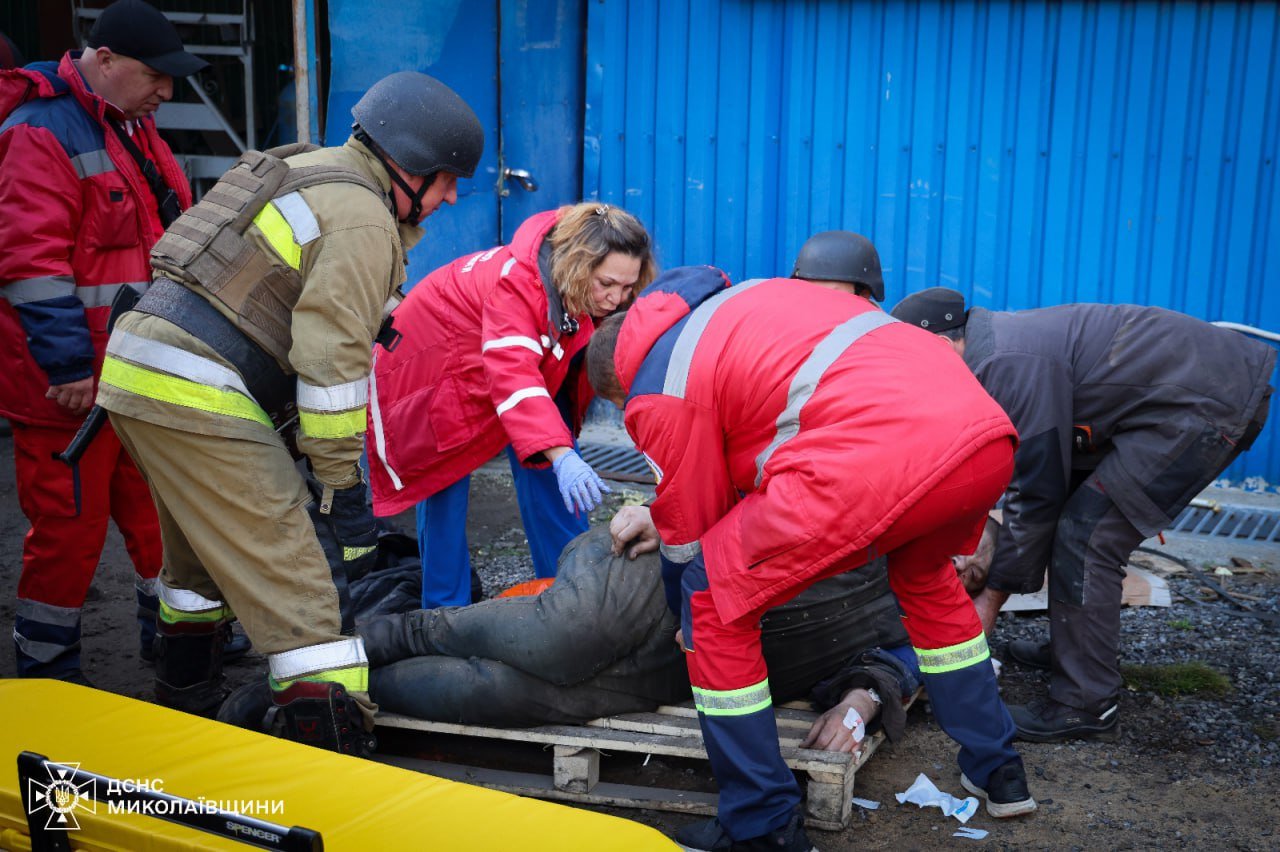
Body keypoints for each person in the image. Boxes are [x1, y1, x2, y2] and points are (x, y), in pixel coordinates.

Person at [95, 70, 484, 756]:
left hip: (139, 369)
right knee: (302, 586)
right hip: (200, 388)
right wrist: (340, 484)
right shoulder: (363, 218)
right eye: (447, 179)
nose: (451, 196)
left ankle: (184, 716)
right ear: (410, 163)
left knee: (198, 563)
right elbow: (331, 369)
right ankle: (330, 762)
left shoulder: (303, 165)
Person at [586, 266, 1036, 851]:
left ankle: (762, 823)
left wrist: (684, 616)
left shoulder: (657, 383)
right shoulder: (741, 304)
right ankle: (1000, 770)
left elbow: (689, 532)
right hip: (982, 438)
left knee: (711, 598)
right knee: (927, 582)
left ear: (619, 387)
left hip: (873, 462)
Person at [220, 507, 919, 762]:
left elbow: (897, 664)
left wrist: (858, 703)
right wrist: (668, 508)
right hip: (649, 577)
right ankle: (374, 640)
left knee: (505, 694)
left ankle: (328, 693)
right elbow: (742, 479)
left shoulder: (925, 604)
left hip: (687, 666)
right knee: (561, 639)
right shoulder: (868, 499)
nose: (965, 561)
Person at [890, 288, 1275, 742]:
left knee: (1088, 535)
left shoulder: (1004, 363)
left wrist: (989, 603)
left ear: (940, 344)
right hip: (1188, 394)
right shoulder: (994, 348)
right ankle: (1075, 652)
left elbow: (1038, 488)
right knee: (1074, 518)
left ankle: (1086, 705)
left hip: (1206, 404)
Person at [0, 0, 206, 681]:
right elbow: (31, 265)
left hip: (126, 370)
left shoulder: (126, 123)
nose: (167, 91)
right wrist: (67, 366)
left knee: (152, 510)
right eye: (156, 75)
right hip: (70, 386)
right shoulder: (41, 132)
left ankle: (174, 636)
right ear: (107, 60)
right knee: (67, 528)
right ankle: (47, 670)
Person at [366, 203, 655, 608]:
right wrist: (561, 455)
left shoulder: (572, 283)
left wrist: (558, 452)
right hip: (433, 372)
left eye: (627, 287)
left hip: (506, 362)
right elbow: (513, 374)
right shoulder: (518, 285)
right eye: (607, 284)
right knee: (443, 483)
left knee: (549, 462)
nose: (616, 298)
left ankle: (571, 590)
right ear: (577, 265)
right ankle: (444, 614)